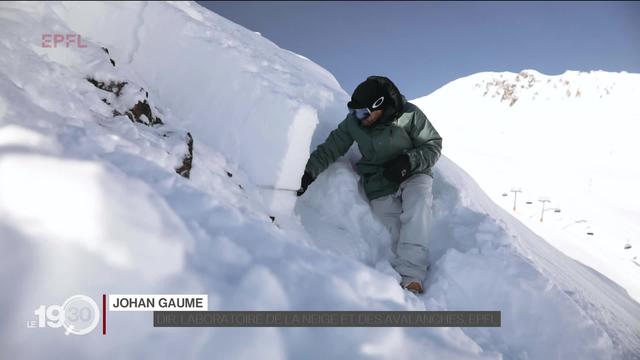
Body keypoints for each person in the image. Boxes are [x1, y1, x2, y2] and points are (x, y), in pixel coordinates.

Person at [296, 76, 442, 294]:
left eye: (363, 112)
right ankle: (402, 262)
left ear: (379, 106)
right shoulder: (354, 123)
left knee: (418, 205)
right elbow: (330, 148)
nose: (358, 117)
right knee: (395, 226)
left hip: (413, 172)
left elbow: (433, 144)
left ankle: (412, 275)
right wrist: (308, 173)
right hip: (380, 180)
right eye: (355, 112)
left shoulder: (409, 115)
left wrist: (408, 161)